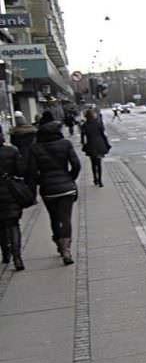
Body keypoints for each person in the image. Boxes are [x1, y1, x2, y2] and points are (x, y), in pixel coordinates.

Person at [25, 113, 80, 265]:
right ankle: (67, 249)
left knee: (54, 217)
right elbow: (76, 165)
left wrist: (38, 184)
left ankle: (58, 242)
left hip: (48, 188)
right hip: (66, 187)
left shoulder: (35, 148)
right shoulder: (65, 144)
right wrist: (70, 178)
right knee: (66, 218)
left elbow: (32, 171)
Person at [0, 129, 27, 270]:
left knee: (1, 226)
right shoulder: (12, 151)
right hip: (10, 192)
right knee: (13, 225)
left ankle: (5, 253)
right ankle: (17, 257)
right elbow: (20, 170)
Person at [80, 109, 110, 187]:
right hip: (99, 145)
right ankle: (100, 181)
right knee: (99, 163)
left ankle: (95, 179)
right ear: (93, 115)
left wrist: (83, 144)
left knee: (93, 163)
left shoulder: (85, 125)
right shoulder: (98, 123)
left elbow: (82, 136)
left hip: (91, 145)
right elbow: (103, 134)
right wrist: (106, 144)